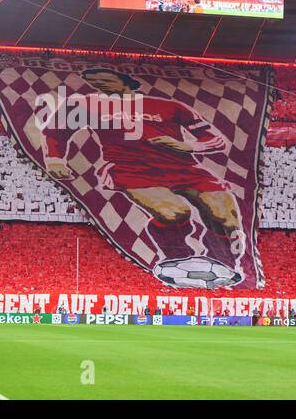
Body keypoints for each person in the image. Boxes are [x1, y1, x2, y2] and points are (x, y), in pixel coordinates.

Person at [39, 68, 247, 287]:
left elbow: (216, 140)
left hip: (185, 168)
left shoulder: (170, 106)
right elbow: (55, 131)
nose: (97, 82)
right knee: (174, 212)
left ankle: (224, 268)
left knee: (226, 215)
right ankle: (176, 261)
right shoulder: (85, 104)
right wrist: (55, 159)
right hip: (131, 169)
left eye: (104, 78)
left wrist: (189, 145)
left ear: (125, 80)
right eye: (92, 80)